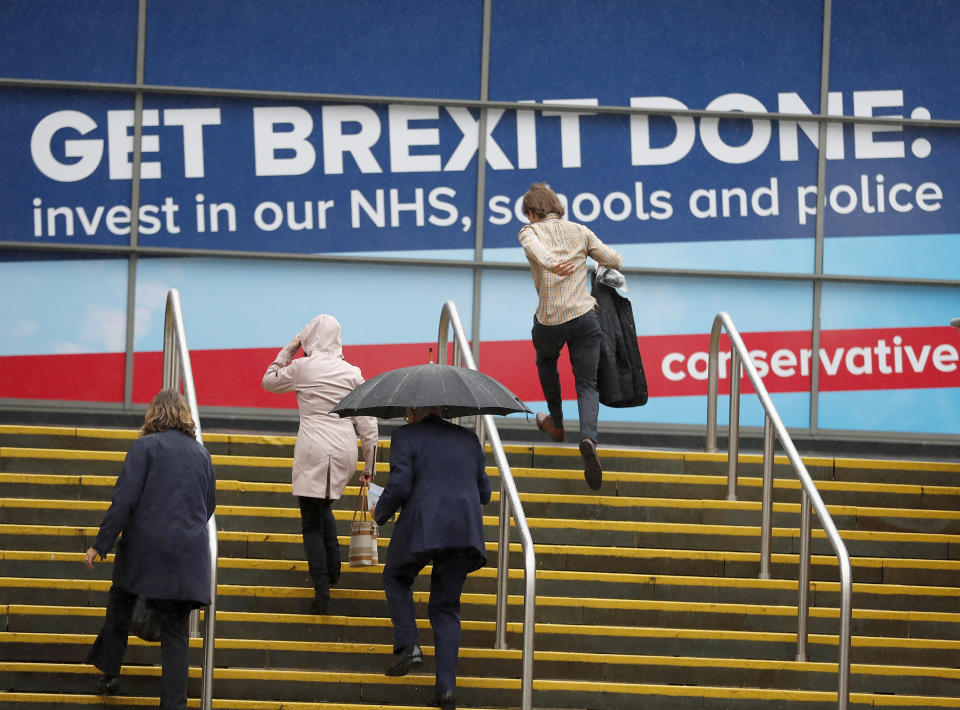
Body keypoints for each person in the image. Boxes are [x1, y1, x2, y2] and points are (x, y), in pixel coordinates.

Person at [83, 389, 217, 709]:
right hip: (189, 556)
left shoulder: (144, 447)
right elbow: (208, 506)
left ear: (154, 414)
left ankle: (110, 674)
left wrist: (100, 544)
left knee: (121, 599)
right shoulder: (202, 454)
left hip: (146, 552)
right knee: (175, 631)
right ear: (184, 416)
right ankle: (174, 704)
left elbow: (124, 501)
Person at [372, 406, 491, 710]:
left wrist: (380, 513)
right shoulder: (469, 439)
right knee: (446, 606)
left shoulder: (405, 435)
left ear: (413, 409)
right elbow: (485, 493)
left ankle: (410, 645)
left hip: (422, 525)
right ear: (442, 409)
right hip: (464, 532)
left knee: (396, 576)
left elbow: (400, 484)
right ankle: (447, 691)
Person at [261, 314, 378, 614]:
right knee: (323, 506)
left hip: (313, 445)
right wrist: (369, 466)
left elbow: (269, 381)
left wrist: (290, 347)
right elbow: (368, 424)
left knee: (311, 520)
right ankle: (334, 564)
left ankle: (322, 588)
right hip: (343, 447)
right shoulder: (352, 373)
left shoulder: (302, 367)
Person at [518, 181, 623, 490]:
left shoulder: (529, 232)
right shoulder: (580, 231)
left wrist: (552, 264)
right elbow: (614, 259)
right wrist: (592, 261)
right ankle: (589, 438)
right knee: (587, 382)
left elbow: (537, 252)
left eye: (529, 215)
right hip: (584, 317)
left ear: (533, 212)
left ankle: (557, 421)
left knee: (546, 362)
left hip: (550, 320)